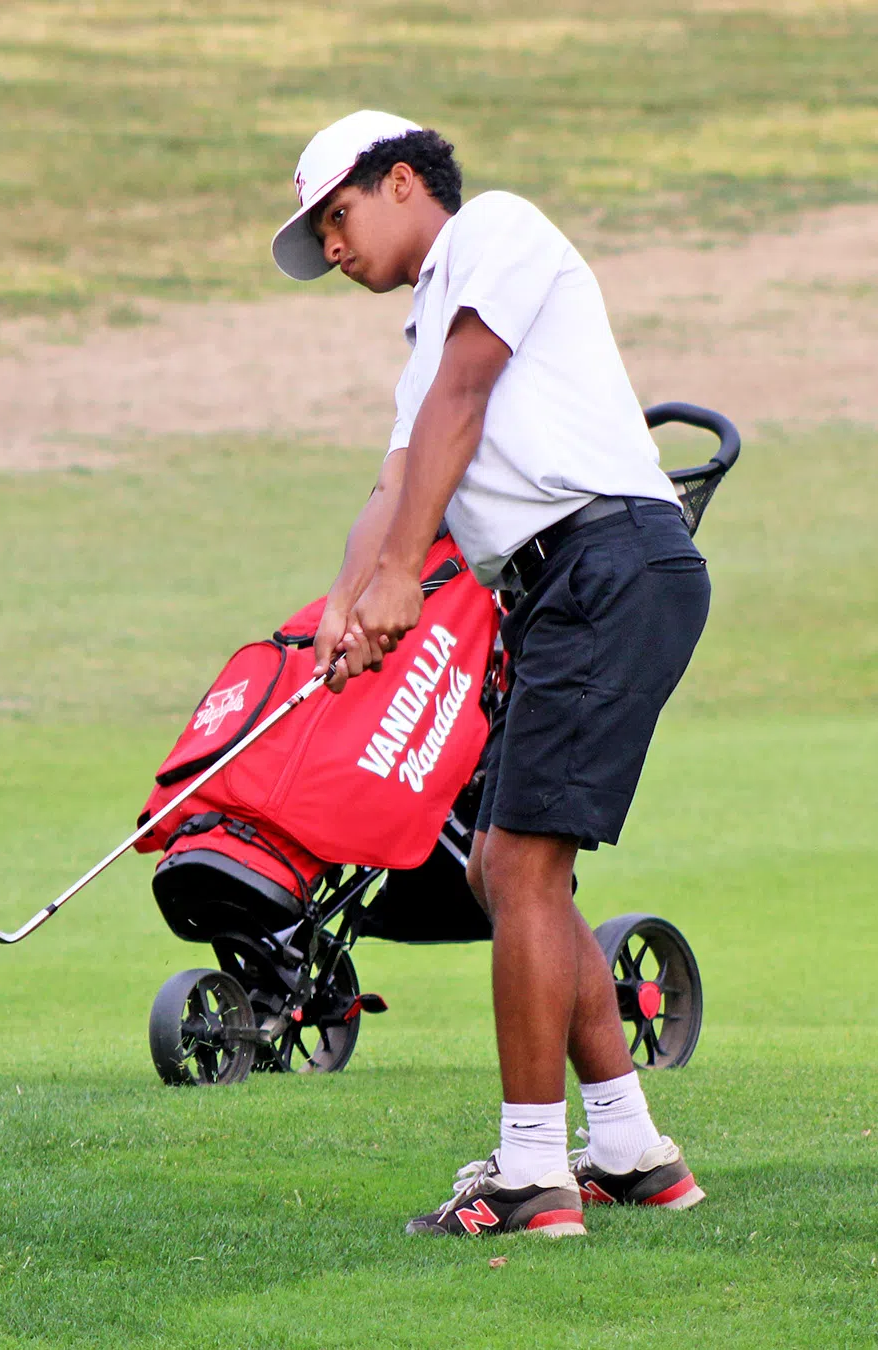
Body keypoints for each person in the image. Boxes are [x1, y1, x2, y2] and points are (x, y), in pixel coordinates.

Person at [272, 111, 713, 1237]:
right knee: (506, 872)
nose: (331, 246)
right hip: (561, 587)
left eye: (338, 216)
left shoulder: (497, 232)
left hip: (607, 563)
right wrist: (343, 606)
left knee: (516, 864)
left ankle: (531, 1178)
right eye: (319, 231)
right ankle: (627, 1149)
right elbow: (398, 479)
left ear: (405, 181)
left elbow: (463, 409)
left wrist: (405, 580)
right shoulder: (425, 331)